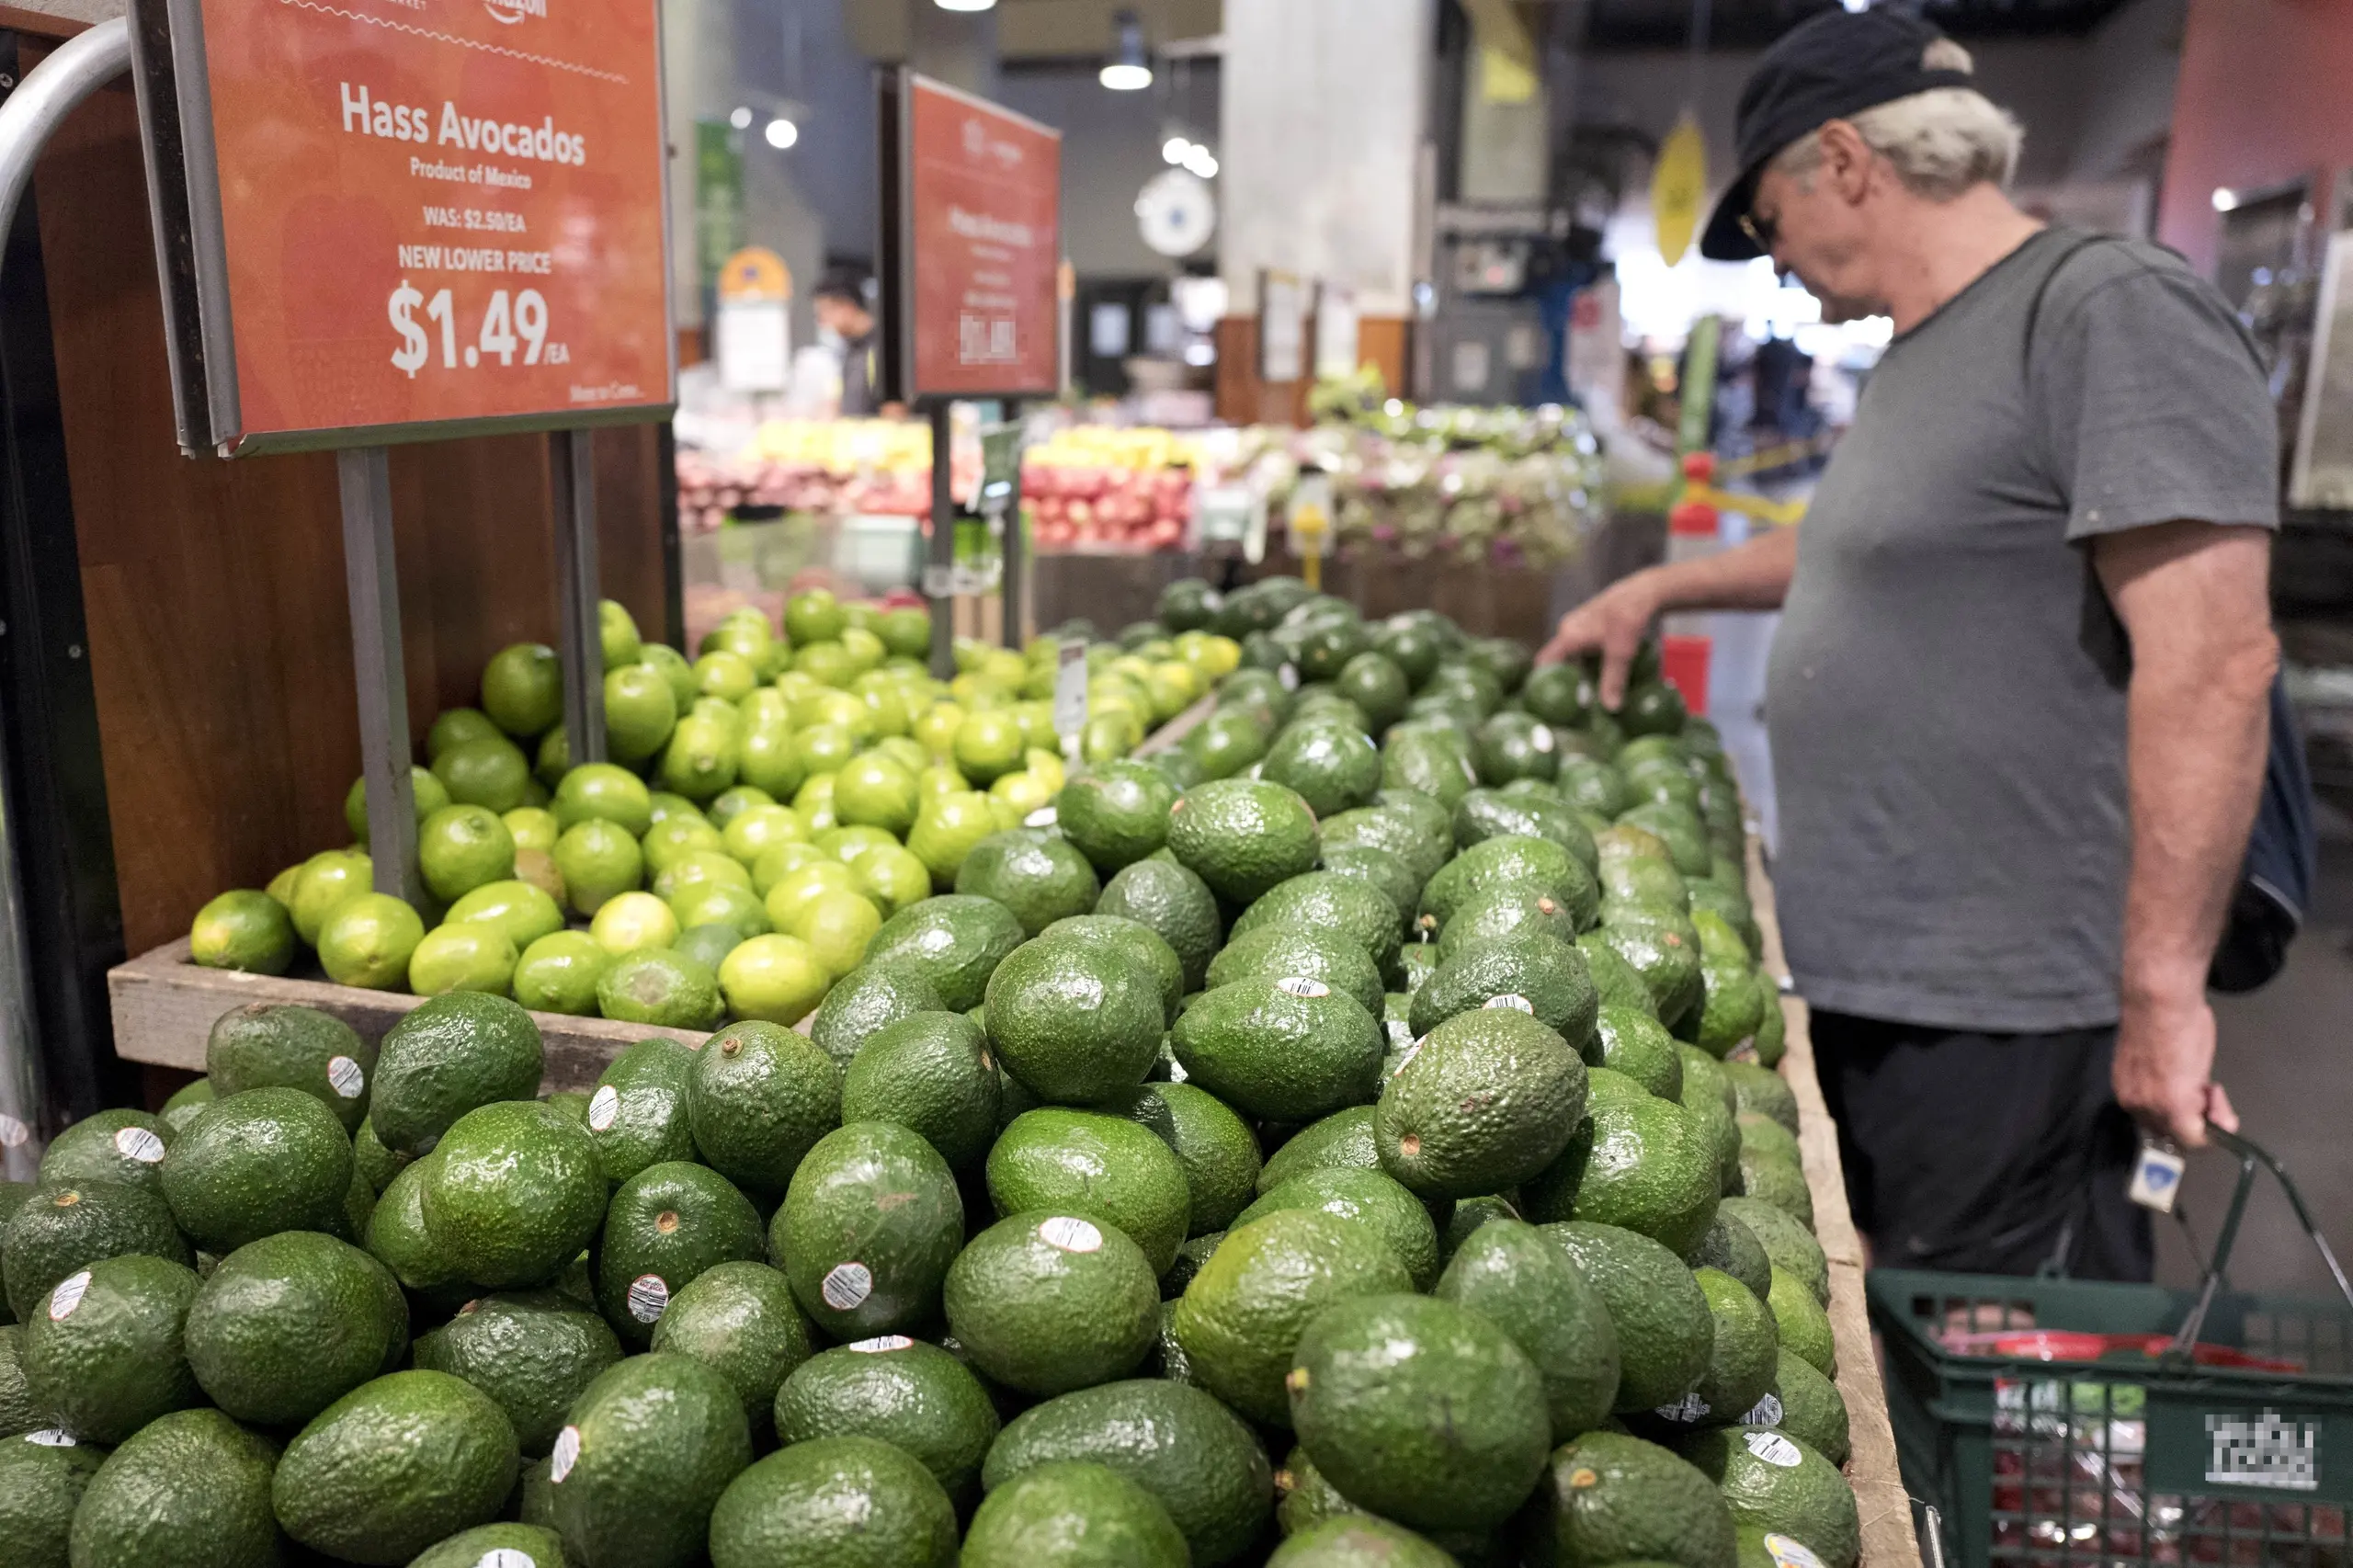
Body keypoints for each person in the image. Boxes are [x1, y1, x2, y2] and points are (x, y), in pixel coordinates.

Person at [1540, 8, 2279, 1281]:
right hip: (1894, 977)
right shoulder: (1929, 344)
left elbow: (2216, 658)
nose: (1773, 265)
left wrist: (2164, 992)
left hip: (2008, 1004)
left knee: (2001, 1375)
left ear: (1843, 160)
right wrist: (1659, 585)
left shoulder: (2106, 312)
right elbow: (1869, 546)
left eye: (1766, 224)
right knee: (1898, 1338)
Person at [813, 266, 881, 416]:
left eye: (824, 312)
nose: (822, 322)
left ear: (847, 307)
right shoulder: (850, 350)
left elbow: (894, 412)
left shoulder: (881, 349)